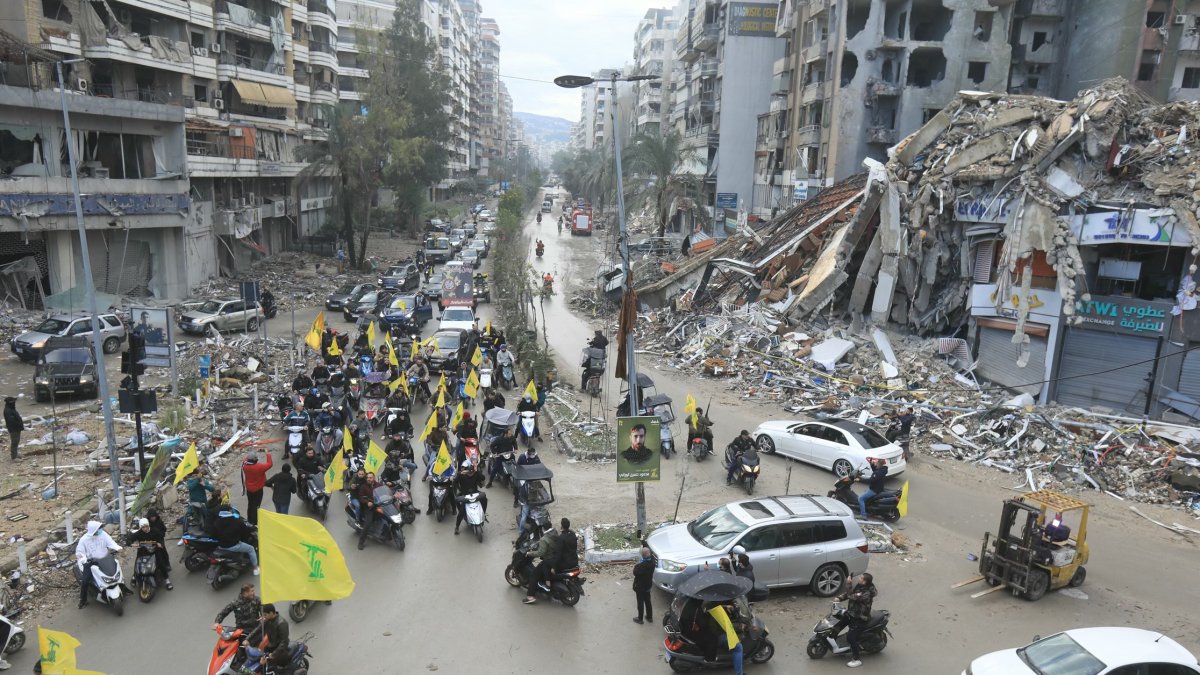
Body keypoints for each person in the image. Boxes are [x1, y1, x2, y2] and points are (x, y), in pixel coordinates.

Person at [833, 573, 877, 668]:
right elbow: (851, 593)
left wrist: (848, 583)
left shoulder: (867, 593)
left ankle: (857, 659)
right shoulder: (860, 586)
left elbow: (852, 596)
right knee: (838, 624)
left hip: (860, 618)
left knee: (851, 637)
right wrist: (839, 598)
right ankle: (835, 645)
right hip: (852, 613)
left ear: (865, 581)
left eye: (861, 578)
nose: (859, 579)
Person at [75, 521, 121, 608]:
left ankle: (123, 587)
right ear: (93, 530)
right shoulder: (84, 540)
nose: (100, 530)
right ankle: (83, 600)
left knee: (116, 570)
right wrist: (85, 560)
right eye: (98, 528)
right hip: (91, 563)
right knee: (85, 581)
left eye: (100, 528)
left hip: (105, 560)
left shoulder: (103, 534)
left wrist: (118, 548)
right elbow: (79, 554)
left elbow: (111, 542)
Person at [127, 515, 173, 591]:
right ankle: (134, 576)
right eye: (143, 527)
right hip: (143, 552)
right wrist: (132, 544)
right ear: (140, 527)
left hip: (154, 551)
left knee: (161, 564)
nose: (145, 529)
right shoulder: (139, 533)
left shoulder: (154, 531)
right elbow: (129, 539)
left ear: (148, 525)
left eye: (146, 526)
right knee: (137, 564)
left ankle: (167, 580)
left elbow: (160, 538)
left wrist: (159, 543)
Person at [523, 520, 560, 605]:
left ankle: (530, 597)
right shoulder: (554, 532)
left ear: (543, 528)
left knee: (533, 575)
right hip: (555, 559)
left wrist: (529, 553)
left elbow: (540, 553)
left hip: (548, 560)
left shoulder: (544, 539)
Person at [213, 506, 259, 575]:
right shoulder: (236, 521)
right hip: (234, 545)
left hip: (221, 546)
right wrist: (254, 528)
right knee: (251, 549)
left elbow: (214, 534)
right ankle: (256, 568)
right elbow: (246, 530)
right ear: (229, 511)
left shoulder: (217, 521)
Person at [453, 460, 487, 535]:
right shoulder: (461, 475)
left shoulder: (475, 473)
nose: (462, 470)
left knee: (485, 499)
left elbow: (483, 478)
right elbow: (454, 482)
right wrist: (459, 474)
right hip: (465, 495)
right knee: (461, 511)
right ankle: (457, 527)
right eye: (462, 468)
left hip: (475, 494)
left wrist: (476, 470)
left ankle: (483, 514)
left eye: (464, 468)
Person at [241, 452, 273, 526]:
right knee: (256, 506)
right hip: (257, 489)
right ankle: (255, 522)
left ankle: (249, 519)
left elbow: (245, 459)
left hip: (249, 489)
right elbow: (270, 464)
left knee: (250, 504)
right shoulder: (259, 467)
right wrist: (267, 453)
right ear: (254, 459)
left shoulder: (245, 466)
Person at [356, 472, 380, 549]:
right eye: (368, 478)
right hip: (369, 507)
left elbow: (384, 491)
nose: (369, 479)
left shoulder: (378, 485)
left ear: (374, 478)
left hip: (379, 504)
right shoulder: (363, 487)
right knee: (368, 522)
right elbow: (361, 497)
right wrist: (367, 502)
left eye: (370, 477)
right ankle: (361, 542)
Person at [632, 546, 655, 624]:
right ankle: (649, 617)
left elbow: (635, 572)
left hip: (640, 587)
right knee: (648, 601)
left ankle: (640, 619)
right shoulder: (652, 561)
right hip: (648, 585)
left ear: (642, 556)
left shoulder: (641, 566)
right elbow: (649, 554)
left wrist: (637, 564)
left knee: (640, 602)